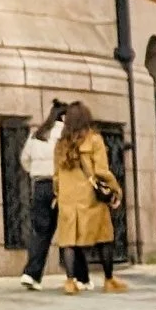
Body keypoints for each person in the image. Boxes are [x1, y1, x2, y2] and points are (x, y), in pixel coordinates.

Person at [54, 100, 125, 291]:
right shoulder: (94, 140)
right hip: (90, 198)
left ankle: (70, 282)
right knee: (104, 236)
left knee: (69, 239)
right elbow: (101, 171)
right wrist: (115, 188)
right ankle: (109, 280)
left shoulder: (61, 144)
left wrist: (58, 194)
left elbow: (56, 175)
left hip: (68, 198)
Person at [17, 102, 63, 288]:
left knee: (40, 231)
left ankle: (31, 273)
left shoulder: (37, 134)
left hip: (39, 185)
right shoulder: (63, 134)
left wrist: (34, 171)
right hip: (58, 184)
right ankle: (77, 274)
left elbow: (24, 159)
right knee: (69, 230)